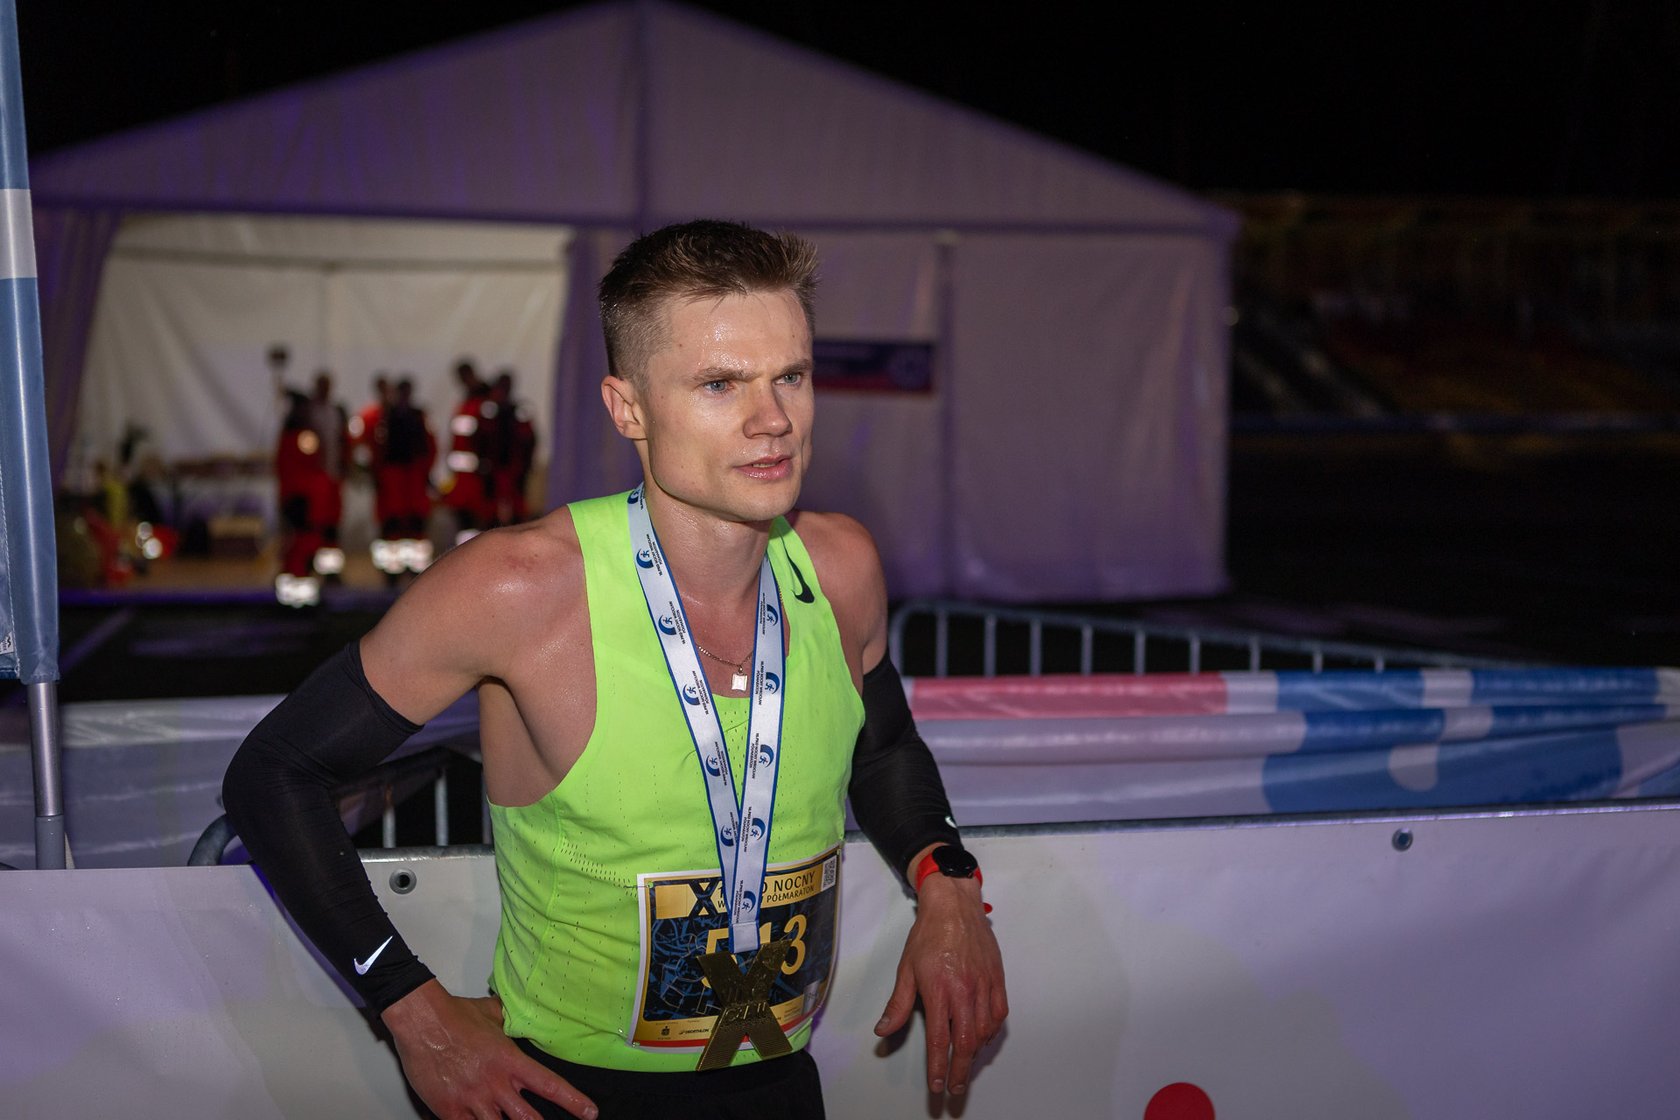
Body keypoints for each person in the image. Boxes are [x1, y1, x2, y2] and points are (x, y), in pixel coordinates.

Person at [222, 220, 1006, 1119]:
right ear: (627, 408)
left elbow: (885, 746)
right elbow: (274, 774)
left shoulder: (841, 568)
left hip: (782, 1086)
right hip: (565, 1096)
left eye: (790, 375)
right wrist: (410, 1007)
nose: (774, 420)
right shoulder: (518, 590)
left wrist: (948, 886)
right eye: (720, 384)